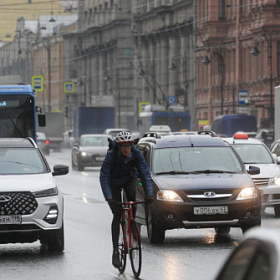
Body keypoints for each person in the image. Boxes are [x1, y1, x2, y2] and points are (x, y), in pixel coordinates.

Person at [99, 131, 154, 269]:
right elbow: (104, 177)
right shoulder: (112, 155)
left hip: (129, 179)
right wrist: (109, 197)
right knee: (117, 214)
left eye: (128, 146)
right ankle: (115, 252)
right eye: (123, 146)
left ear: (131, 145)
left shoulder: (136, 154)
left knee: (132, 199)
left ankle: (132, 223)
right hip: (114, 183)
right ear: (118, 146)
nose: (126, 149)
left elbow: (145, 173)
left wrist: (149, 194)